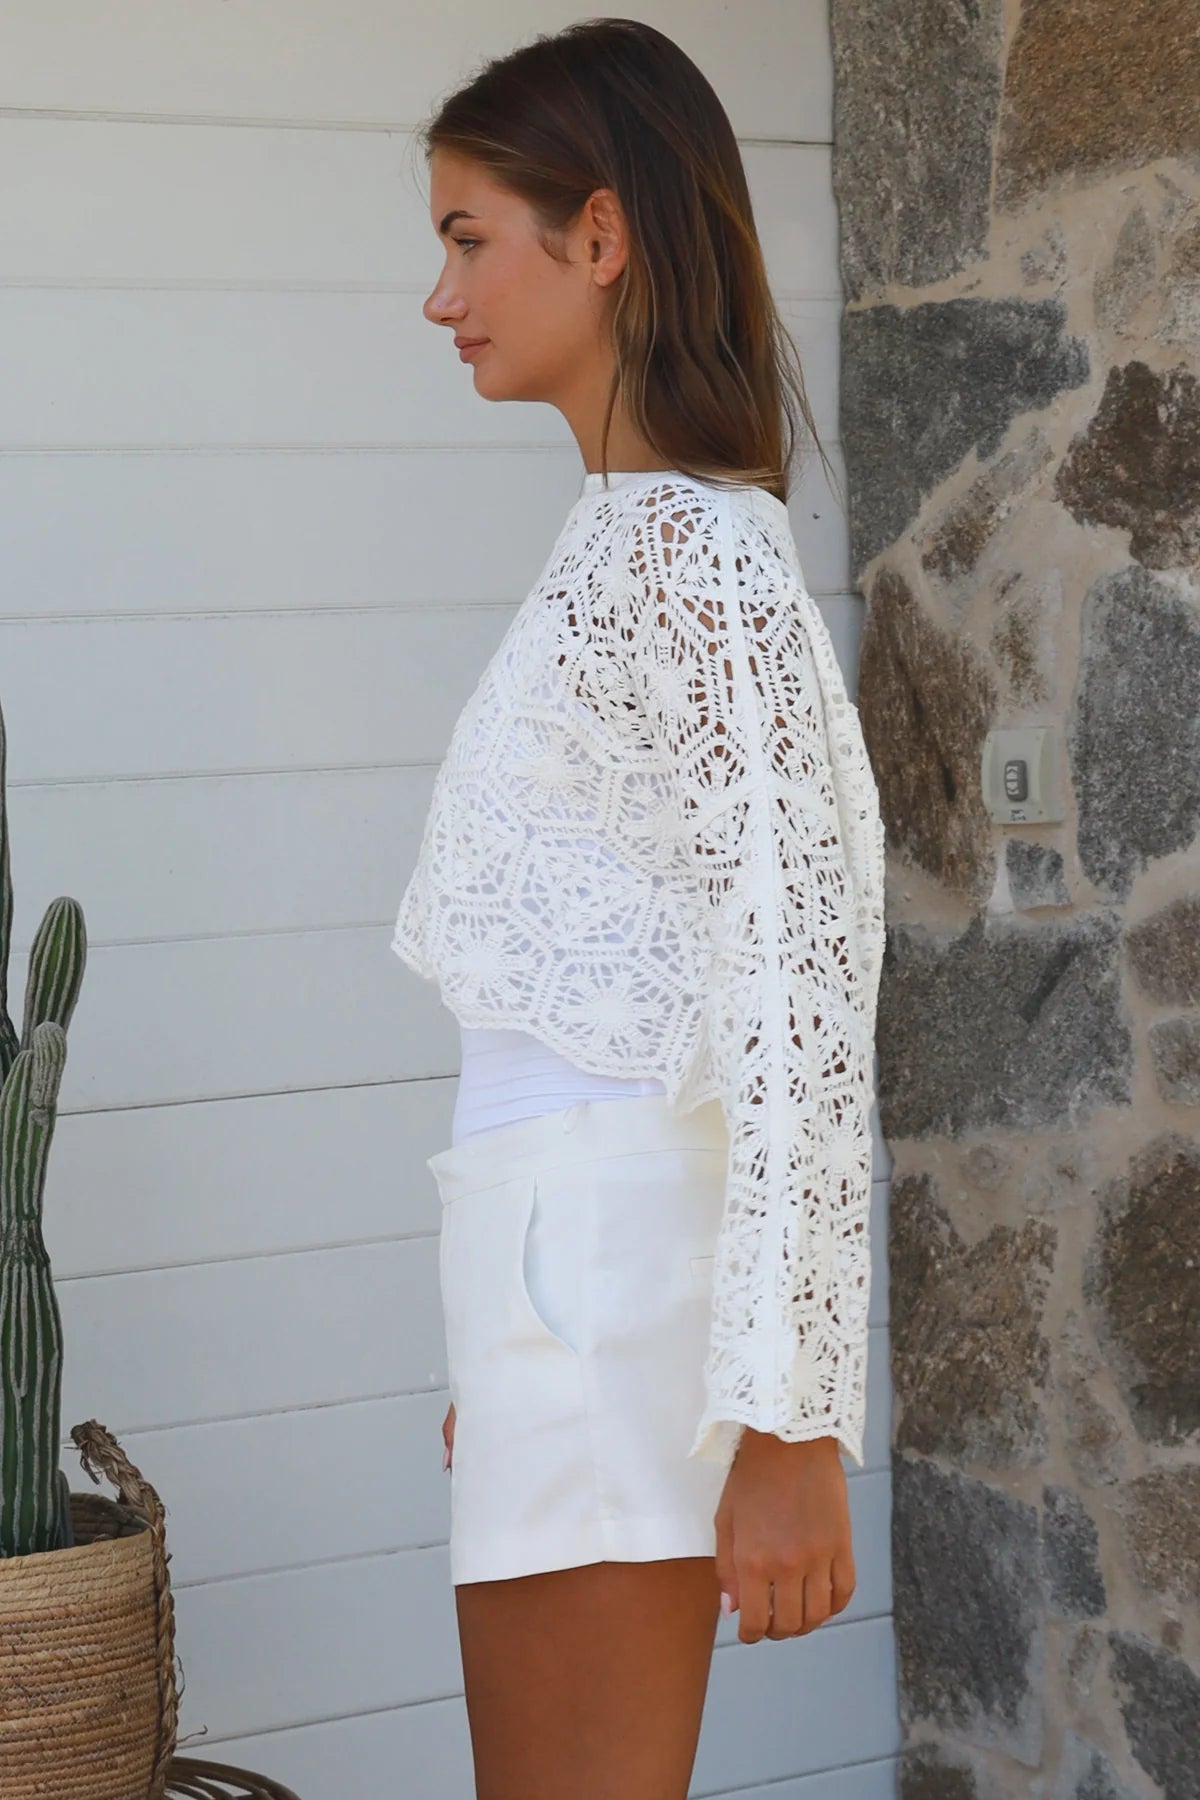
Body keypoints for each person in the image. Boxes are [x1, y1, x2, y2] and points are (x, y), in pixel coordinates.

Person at [390, 19, 887, 1799]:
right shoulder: (625, 545)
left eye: (468, 240)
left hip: (611, 1298)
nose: (440, 297)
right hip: (564, 1292)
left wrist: (790, 1419)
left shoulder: (690, 557)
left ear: (601, 239)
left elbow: (800, 996)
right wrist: (505, 1333)